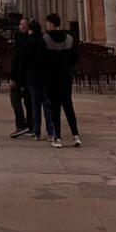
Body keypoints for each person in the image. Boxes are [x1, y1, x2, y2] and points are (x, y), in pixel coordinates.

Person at [43, 13, 81, 149]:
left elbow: (43, 60)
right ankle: (76, 136)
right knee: (68, 106)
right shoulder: (69, 39)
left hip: (52, 78)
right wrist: (66, 67)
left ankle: (58, 138)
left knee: (55, 108)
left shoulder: (46, 39)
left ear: (51, 24)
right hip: (66, 77)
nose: (46, 25)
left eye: (47, 23)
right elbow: (75, 58)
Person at [23, 19, 56, 142]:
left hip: (33, 77)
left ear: (30, 29)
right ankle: (51, 133)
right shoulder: (45, 41)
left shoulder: (27, 43)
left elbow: (24, 62)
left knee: (35, 106)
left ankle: (37, 132)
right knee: (47, 107)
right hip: (45, 77)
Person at [8, 18, 33, 138]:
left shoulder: (22, 41)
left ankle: (21, 125)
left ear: (28, 27)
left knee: (15, 99)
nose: (19, 26)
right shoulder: (34, 40)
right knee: (29, 102)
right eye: (20, 24)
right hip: (30, 76)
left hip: (21, 77)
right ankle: (31, 126)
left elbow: (17, 61)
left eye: (22, 24)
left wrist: (14, 78)